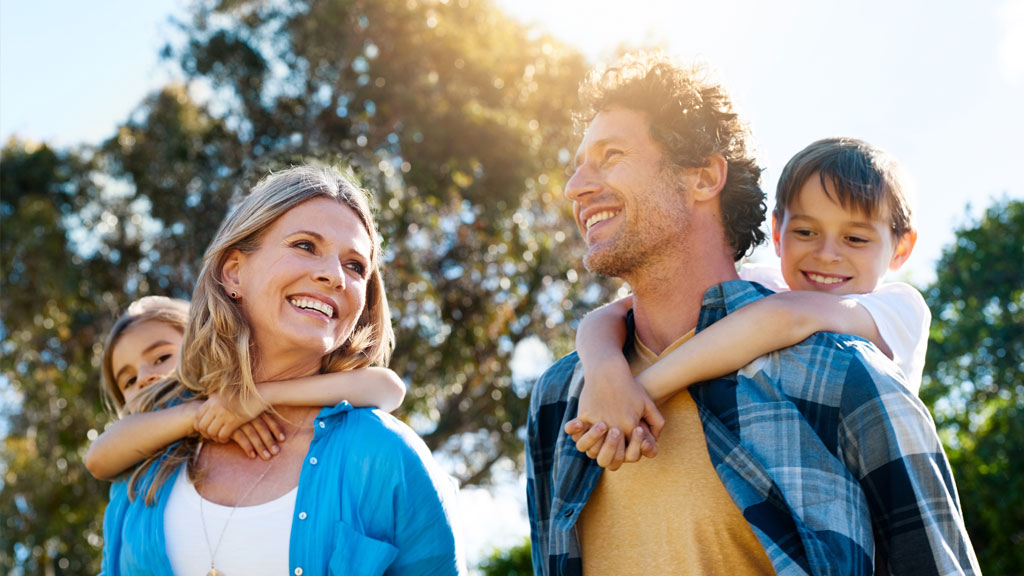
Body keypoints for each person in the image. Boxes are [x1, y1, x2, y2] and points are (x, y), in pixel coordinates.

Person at [525, 52, 979, 575]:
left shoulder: (846, 376)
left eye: (611, 155)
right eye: (579, 162)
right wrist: (605, 369)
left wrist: (644, 388)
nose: (574, 186)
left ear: (703, 178)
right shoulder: (562, 397)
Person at [101, 165, 464, 575]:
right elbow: (99, 455)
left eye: (356, 266)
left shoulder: (385, 457)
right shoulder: (149, 471)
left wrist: (256, 398)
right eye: (306, 245)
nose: (335, 276)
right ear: (234, 271)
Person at [567, 137, 931, 469]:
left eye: (855, 238)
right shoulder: (765, 285)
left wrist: (641, 392)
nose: (827, 254)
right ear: (776, 233)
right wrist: (605, 373)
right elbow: (612, 313)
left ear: (901, 248)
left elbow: (786, 317)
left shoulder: (899, 309)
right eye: (805, 232)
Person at [85, 295, 407, 479]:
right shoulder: (136, 441)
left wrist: (257, 398)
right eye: (127, 380)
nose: (144, 377)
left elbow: (387, 388)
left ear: (200, 341)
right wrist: (203, 416)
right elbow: (97, 459)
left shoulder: (248, 385)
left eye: (160, 356)